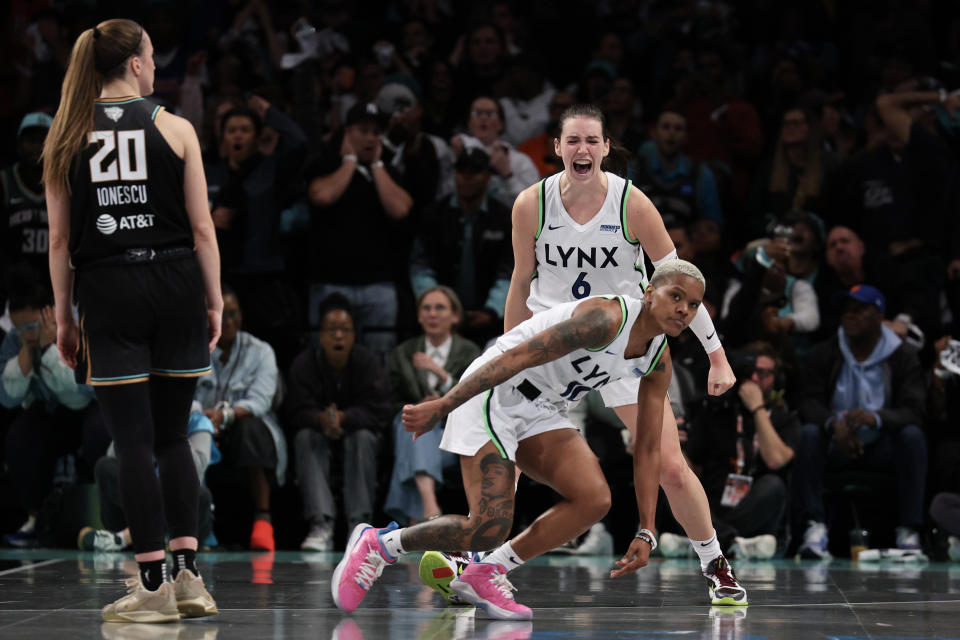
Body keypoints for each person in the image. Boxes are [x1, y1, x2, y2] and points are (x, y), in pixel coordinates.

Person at [332, 260, 744, 620]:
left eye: (693, 305)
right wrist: (444, 404)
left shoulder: (657, 361)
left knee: (594, 499)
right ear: (649, 291)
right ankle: (381, 544)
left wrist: (647, 529)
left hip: (542, 411)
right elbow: (514, 357)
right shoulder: (606, 318)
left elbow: (649, 448)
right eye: (676, 296)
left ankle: (485, 574)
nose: (683, 310)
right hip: (496, 393)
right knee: (487, 528)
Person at [498, 103, 743, 602]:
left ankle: (714, 561)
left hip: (624, 345)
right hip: (555, 344)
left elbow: (679, 284)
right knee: (507, 451)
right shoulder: (531, 204)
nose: (583, 149)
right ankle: (482, 556)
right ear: (558, 148)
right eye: (574, 141)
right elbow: (521, 281)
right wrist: (506, 353)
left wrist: (717, 356)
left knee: (671, 466)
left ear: (606, 148)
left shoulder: (631, 203)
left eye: (593, 140)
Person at [43, 19, 221, 622]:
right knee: (172, 438)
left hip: (108, 286)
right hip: (175, 282)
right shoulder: (176, 127)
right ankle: (190, 576)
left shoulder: (65, 136)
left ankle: (152, 587)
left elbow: (61, 239)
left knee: (132, 443)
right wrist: (215, 301)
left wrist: (65, 319)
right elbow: (202, 229)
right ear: (140, 65)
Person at [793, 285, 927, 558]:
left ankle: (909, 532)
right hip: (837, 443)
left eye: (859, 311)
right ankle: (814, 528)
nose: (850, 316)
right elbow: (808, 402)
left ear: (879, 317)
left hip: (882, 446)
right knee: (808, 434)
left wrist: (875, 418)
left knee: (912, 436)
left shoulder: (903, 355)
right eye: (846, 311)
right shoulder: (825, 351)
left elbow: (915, 410)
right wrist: (834, 424)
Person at [288, 293, 392, 551]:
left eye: (344, 330)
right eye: (331, 330)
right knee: (304, 436)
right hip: (318, 433)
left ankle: (359, 526)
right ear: (320, 335)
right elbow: (293, 412)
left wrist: (346, 418)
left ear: (354, 335)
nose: (338, 336)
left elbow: (380, 411)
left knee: (364, 436)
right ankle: (321, 524)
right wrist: (320, 419)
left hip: (358, 434)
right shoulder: (304, 364)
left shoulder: (368, 362)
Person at [681, 342, 800, 560]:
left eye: (764, 374)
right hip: (713, 506)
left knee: (774, 486)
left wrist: (757, 408)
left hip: (753, 508)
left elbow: (775, 460)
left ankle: (710, 541)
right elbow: (691, 470)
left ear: (776, 380)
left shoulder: (785, 419)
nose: (755, 379)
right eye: (751, 372)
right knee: (676, 484)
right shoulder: (715, 413)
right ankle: (732, 542)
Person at [194, 286, 287, 552]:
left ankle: (262, 519)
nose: (228, 321)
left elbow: (261, 401)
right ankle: (198, 523)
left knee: (250, 429)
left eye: (233, 313)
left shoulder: (261, 351)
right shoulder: (192, 349)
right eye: (221, 314)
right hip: (203, 426)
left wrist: (225, 415)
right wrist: (203, 418)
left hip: (244, 430)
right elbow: (182, 393)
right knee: (186, 433)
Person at [383, 286, 480, 525]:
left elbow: (478, 398)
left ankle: (416, 521)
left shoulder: (470, 352)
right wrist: (418, 407)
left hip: (454, 438)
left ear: (455, 316)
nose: (432, 314)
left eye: (440, 308)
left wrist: (441, 377)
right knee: (413, 423)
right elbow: (387, 400)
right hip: (411, 434)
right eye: (426, 308)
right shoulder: (403, 353)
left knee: (416, 428)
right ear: (418, 316)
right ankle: (430, 508)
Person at [1, 112, 54, 283]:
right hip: (12, 288)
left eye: (43, 141)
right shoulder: (4, 182)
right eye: (31, 141)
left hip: (53, 289)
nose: (37, 147)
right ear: (18, 145)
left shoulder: (66, 185)